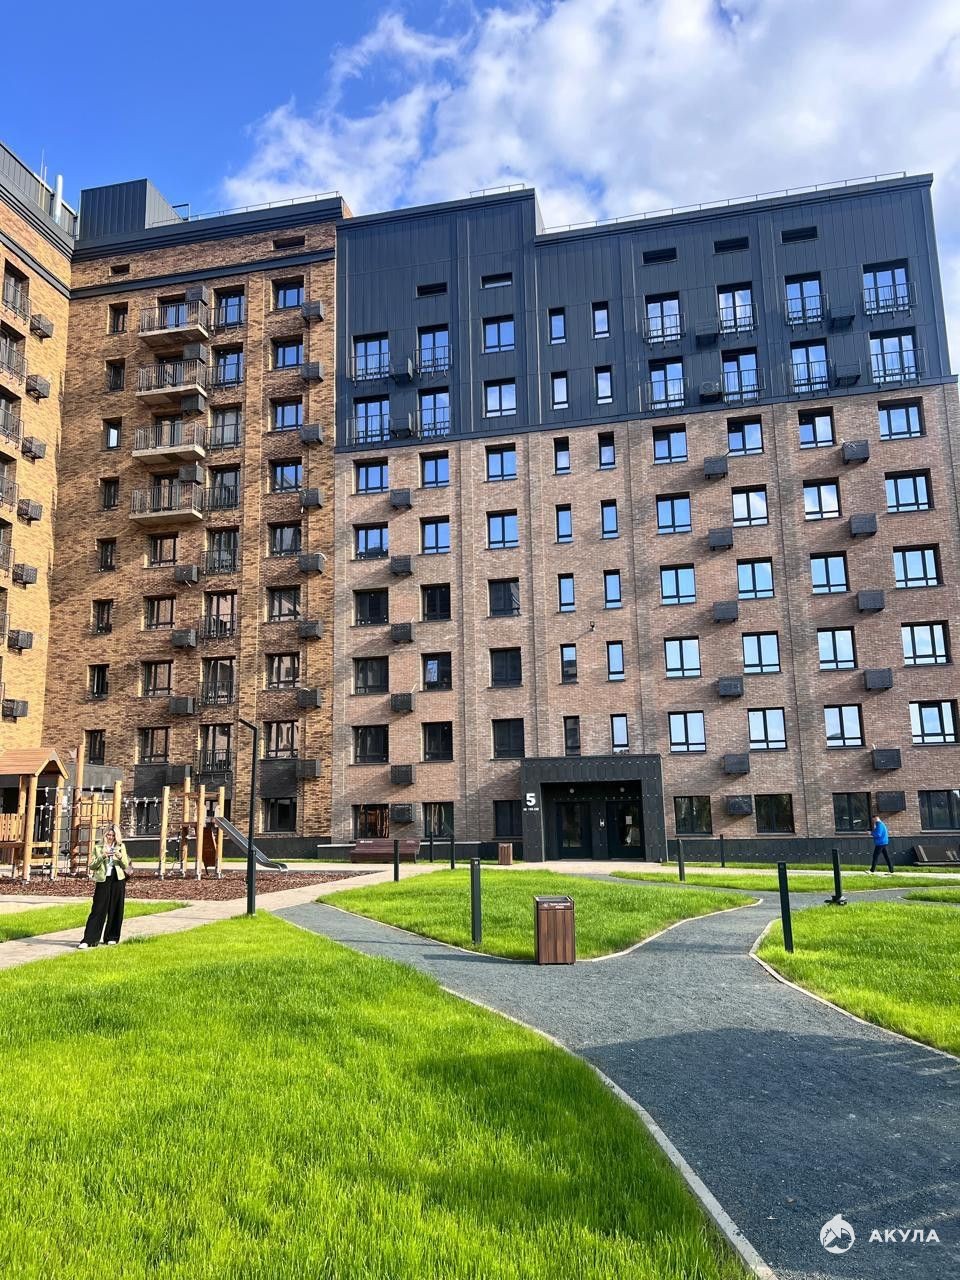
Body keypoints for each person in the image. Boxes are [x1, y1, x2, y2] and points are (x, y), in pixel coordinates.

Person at [78, 824, 132, 948]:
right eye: (108, 835)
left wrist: (119, 856)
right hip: (103, 879)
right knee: (98, 909)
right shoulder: (98, 847)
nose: (110, 837)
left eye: (113, 835)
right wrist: (103, 856)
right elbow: (92, 865)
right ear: (105, 835)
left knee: (116, 908)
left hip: (118, 879)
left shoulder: (121, 847)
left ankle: (112, 937)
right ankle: (89, 939)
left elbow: (125, 865)